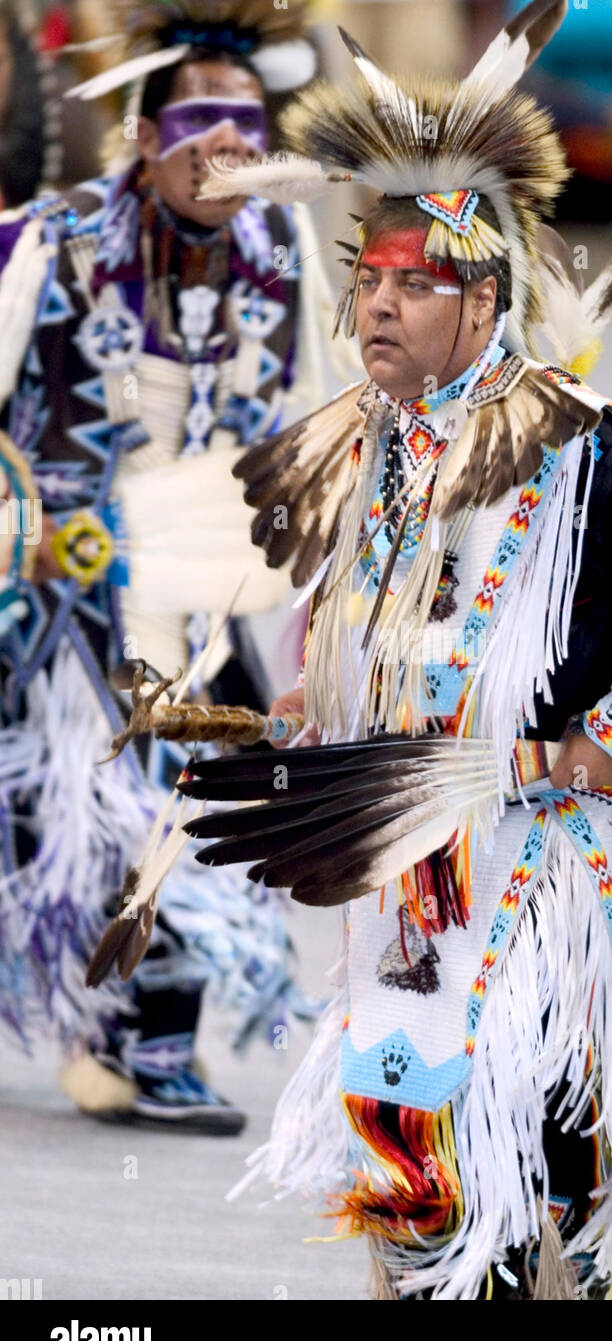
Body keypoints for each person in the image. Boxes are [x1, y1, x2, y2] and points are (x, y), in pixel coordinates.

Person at [143, 0, 612, 1294]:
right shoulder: (377, 432)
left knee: (551, 1154)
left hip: (552, 860)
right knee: (416, 1157)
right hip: (417, 846)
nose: (376, 305)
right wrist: (326, 693)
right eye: (366, 277)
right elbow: (362, 594)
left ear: (481, 296)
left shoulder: (584, 438)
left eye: (411, 284)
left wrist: (610, 737)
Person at [0, 0, 355, 1135]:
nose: (228, 149)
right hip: (52, 594)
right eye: (201, 122)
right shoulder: (48, 242)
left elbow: (314, 409)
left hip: (206, 592)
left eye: (249, 127)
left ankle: (144, 1047)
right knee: (43, 812)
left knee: (195, 810)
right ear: (146, 138)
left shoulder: (278, 252)